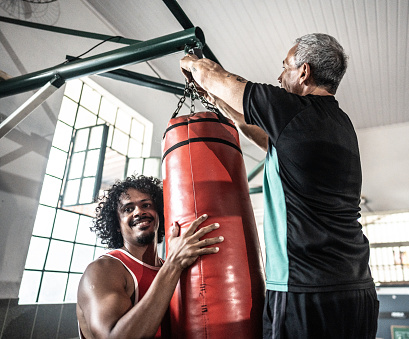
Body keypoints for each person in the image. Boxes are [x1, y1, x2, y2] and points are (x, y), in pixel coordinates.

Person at [180, 33, 379, 338]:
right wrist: (216, 101)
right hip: (357, 289)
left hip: (305, 292)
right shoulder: (341, 124)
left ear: (304, 71)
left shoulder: (292, 110)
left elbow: (216, 76)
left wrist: (191, 62)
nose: (279, 75)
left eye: (286, 66)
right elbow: (264, 136)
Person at [76, 175, 223, 338]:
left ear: (159, 214)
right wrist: (173, 265)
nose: (139, 211)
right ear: (117, 224)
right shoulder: (104, 270)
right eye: (128, 209)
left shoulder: (170, 267)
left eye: (146, 205)